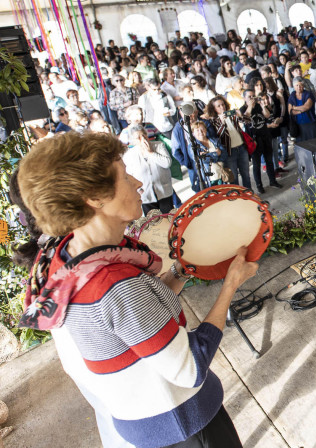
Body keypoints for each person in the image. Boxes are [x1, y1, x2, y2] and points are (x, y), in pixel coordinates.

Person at [13, 133, 258, 448]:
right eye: (125, 175)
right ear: (95, 198)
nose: (138, 183)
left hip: (150, 426)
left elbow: (143, 319)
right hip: (183, 429)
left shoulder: (71, 259)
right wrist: (231, 285)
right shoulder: (114, 285)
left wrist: (182, 270)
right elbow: (191, 368)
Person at [123, 126, 176, 214]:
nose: (143, 139)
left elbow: (167, 163)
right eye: (138, 137)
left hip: (164, 190)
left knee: (169, 217)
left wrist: (151, 153)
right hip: (146, 195)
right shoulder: (129, 155)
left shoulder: (158, 145)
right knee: (154, 223)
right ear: (133, 141)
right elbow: (129, 176)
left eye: (144, 135)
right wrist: (138, 190)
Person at [240, 89, 282, 195]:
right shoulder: (243, 108)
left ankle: (273, 181)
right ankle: (259, 185)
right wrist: (250, 106)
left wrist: (263, 105)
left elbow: (267, 116)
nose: (252, 98)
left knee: (269, 160)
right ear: (244, 98)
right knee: (257, 164)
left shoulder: (259, 105)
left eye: (253, 96)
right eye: (249, 96)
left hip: (265, 135)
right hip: (254, 139)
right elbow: (245, 119)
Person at [207, 96, 253, 190]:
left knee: (246, 174)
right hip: (229, 151)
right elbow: (218, 136)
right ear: (214, 109)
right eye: (218, 106)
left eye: (223, 104)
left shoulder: (231, 115)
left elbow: (248, 121)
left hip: (241, 147)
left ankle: (249, 194)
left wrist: (240, 115)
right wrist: (222, 122)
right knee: (234, 177)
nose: (222, 107)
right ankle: (237, 197)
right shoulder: (213, 121)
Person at [288, 77, 316, 142]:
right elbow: (290, 111)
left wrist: (295, 108)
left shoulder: (308, 94)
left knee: (314, 142)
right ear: (294, 86)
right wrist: (300, 111)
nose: (299, 87)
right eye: (297, 85)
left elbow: (307, 107)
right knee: (302, 145)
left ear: (303, 85)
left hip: (311, 124)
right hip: (298, 125)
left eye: (301, 85)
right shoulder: (292, 96)